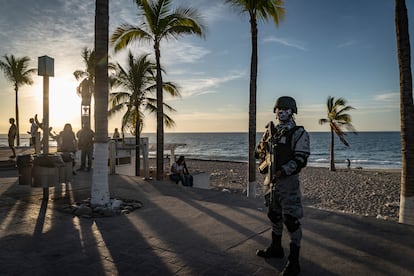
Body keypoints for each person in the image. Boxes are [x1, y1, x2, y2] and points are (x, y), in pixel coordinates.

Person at [255, 96, 310, 276]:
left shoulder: (299, 133)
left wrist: (283, 171)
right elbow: (258, 153)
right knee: (273, 215)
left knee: (291, 221)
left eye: (285, 109)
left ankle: (294, 262)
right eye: (279, 109)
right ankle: (276, 248)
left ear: (292, 112)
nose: (281, 112)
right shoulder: (271, 132)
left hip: (288, 183)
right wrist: (263, 147)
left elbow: (301, 159)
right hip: (270, 183)